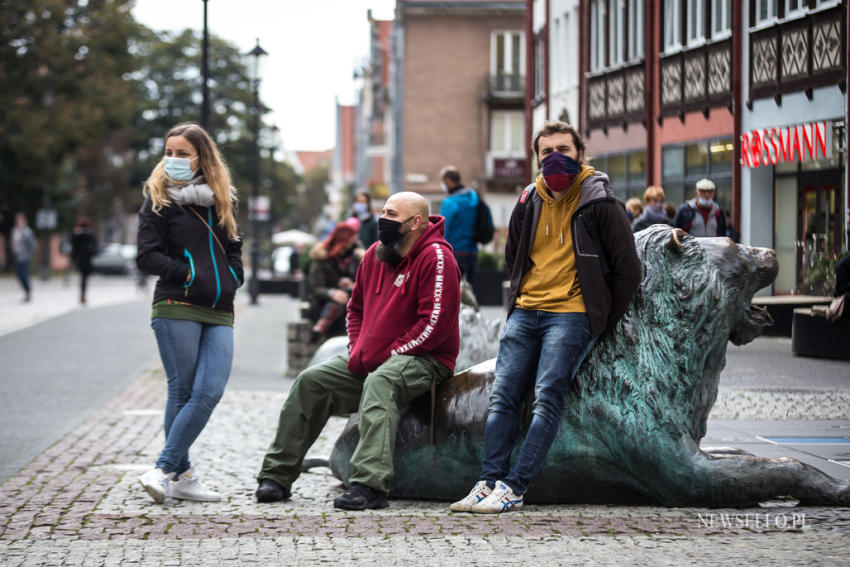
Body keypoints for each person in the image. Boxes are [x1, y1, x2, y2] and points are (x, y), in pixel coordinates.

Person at [452, 120, 641, 514]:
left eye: (564, 150)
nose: (555, 158)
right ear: (536, 159)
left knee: (547, 399)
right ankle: (487, 483)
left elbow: (628, 271)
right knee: (502, 398)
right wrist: (520, 299)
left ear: (580, 154)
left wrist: (598, 318)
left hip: (571, 315)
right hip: (526, 312)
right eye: (546, 152)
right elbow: (514, 257)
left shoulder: (600, 201)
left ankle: (514, 487)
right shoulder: (528, 199)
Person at [256, 191, 462, 510]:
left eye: (392, 214)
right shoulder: (374, 256)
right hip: (374, 359)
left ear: (416, 222)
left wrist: (390, 355)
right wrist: (357, 346)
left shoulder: (436, 258)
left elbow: (434, 326)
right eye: (383, 211)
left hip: (427, 360)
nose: (383, 219)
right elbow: (355, 308)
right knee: (311, 381)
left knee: (382, 382)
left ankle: (370, 484)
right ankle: (276, 476)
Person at [135, 122, 243, 504]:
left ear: (202, 158)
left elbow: (233, 247)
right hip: (176, 304)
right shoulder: (159, 197)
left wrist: (232, 276)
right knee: (182, 391)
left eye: (182, 153)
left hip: (219, 308)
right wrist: (191, 273)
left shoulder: (221, 199)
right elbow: (146, 255)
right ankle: (177, 473)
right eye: (169, 152)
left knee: (210, 389)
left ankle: (164, 471)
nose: (173, 160)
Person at [307, 220, 361, 342]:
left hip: (349, 300)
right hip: (322, 304)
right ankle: (321, 326)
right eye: (349, 242)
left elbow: (362, 281)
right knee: (338, 302)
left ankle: (321, 328)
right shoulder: (322, 258)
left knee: (344, 301)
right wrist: (332, 292)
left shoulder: (355, 257)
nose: (351, 245)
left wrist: (352, 284)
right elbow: (316, 288)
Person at [439, 166, 481, 292]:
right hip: (472, 251)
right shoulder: (475, 199)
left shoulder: (449, 203)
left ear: (448, 181)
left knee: (451, 291)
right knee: (471, 292)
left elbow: (443, 229)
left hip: (453, 252)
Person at [70, 217, 98, 305]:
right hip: (87, 259)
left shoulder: (76, 234)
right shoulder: (89, 234)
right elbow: (95, 247)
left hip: (80, 259)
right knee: (84, 277)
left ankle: (82, 294)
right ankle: (83, 294)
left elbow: (74, 248)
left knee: (83, 277)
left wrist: (73, 259)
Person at [11, 212, 36, 303]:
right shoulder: (14, 230)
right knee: (19, 276)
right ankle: (26, 291)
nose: (19, 223)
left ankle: (28, 292)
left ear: (24, 222)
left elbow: (32, 245)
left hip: (25, 257)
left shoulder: (27, 231)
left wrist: (29, 255)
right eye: (18, 221)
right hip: (17, 256)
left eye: (21, 221)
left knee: (24, 275)